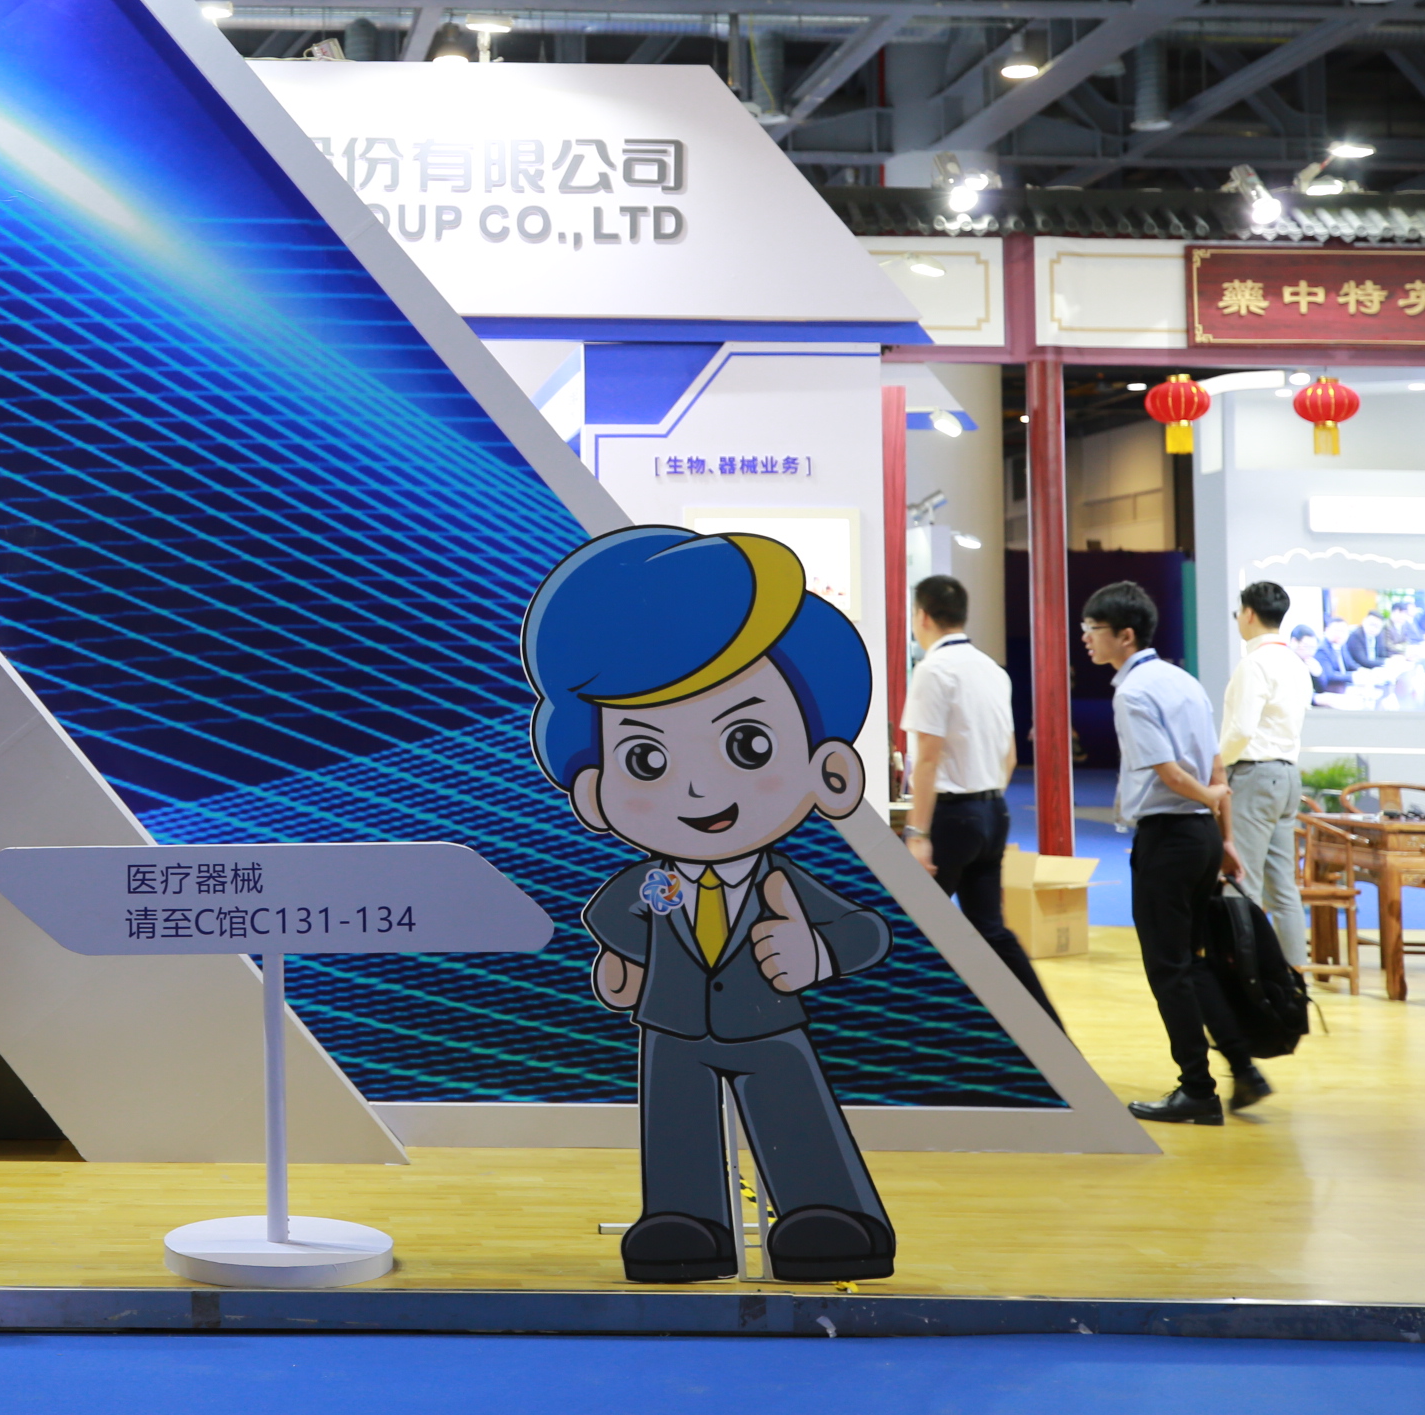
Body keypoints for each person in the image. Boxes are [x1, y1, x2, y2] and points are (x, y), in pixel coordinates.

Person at [524, 526, 898, 1286]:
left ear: (830, 772)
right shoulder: (647, 885)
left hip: (769, 1024)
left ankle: (828, 1213)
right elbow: (621, 936)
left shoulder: (782, 886)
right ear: (594, 792)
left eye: (749, 744)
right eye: (646, 759)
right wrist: (621, 972)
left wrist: (816, 954)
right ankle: (687, 1221)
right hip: (669, 1026)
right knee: (675, 1124)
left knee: (796, 1111)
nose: (696, 790)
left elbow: (864, 931)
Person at [1083, 581, 1267, 1125]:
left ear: (1125, 635)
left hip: (1168, 837)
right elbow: (1216, 767)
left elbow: (1171, 773)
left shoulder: (1133, 693)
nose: (1086, 639)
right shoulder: (1184, 682)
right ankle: (1244, 1070)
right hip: (1201, 837)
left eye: (1093, 629)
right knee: (1192, 961)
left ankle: (1197, 1089)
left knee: (1168, 968)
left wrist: (1210, 801)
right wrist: (1224, 837)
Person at [899, 574, 1060, 1025]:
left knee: (910, 927)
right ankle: (1049, 1030)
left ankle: (915, 1032)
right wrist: (985, 804)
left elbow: (927, 758)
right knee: (990, 929)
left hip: (954, 816)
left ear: (922, 616)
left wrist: (917, 833)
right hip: (993, 811)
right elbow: (1010, 755)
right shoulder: (992, 670)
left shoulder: (933, 670)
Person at [1220, 580, 1312, 970]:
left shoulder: (1254, 663)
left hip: (1255, 775)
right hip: (1287, 775)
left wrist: (1217, 765)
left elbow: (1241, 730)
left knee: (1243, 880)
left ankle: (1247, 976)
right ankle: (1294, 977)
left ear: (1249, 614)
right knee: (1284, 887)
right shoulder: (1295, 662)